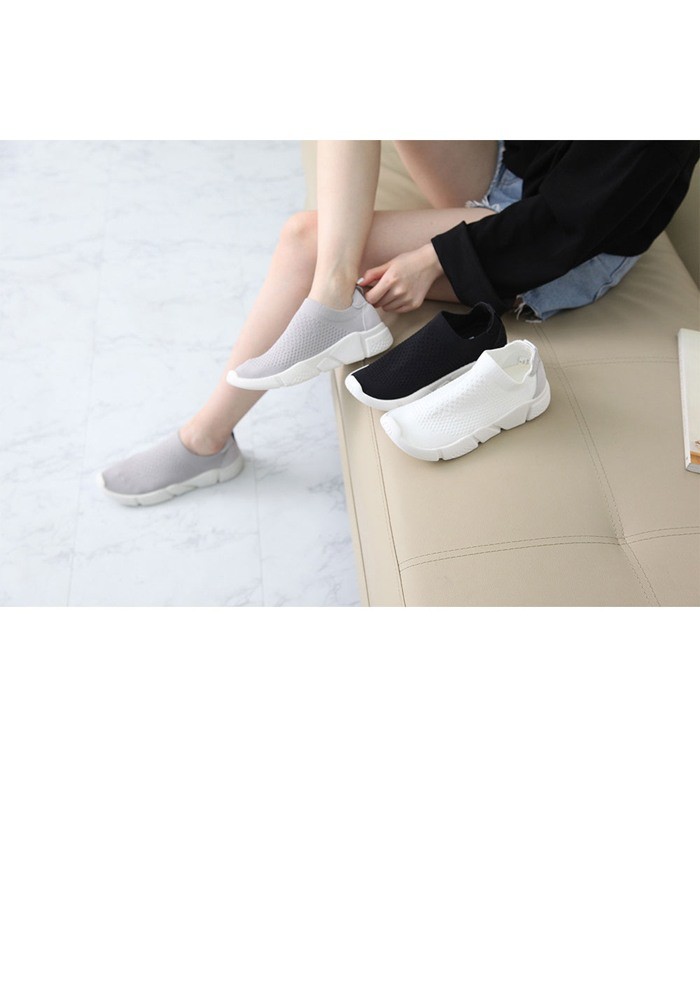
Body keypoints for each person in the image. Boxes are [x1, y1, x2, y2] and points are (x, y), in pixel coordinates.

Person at [99, 140, 699, 505]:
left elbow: (568, 224)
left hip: (567, 244)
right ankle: (334, 299)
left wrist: (433, 257)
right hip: (517, 169)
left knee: (305, 241)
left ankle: (206, 441)